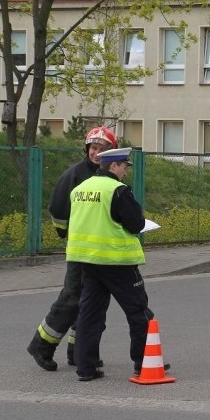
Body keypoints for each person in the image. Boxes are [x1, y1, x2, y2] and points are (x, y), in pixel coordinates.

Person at [66, 147, 166, 381]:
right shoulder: (117, 190)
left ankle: (86, 368)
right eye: (124, 167)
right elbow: (135, 223)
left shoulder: (80, 189)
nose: (125, 172)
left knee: (89, 313)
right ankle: (144, 362)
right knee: (139, 311)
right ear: (113, 166)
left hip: (87, 261)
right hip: (116, 260)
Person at [27, 126, 117, 371]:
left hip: (101, 252)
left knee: (94, 302)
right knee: (72, 298)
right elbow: (58, 211)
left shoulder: (111, 175)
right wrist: (70, 237)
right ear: (87, 149)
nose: (96, 153)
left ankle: (79, 352)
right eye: (93, 148)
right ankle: (41, 345)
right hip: (80, 251)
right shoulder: (75, 175)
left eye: (102, 149)